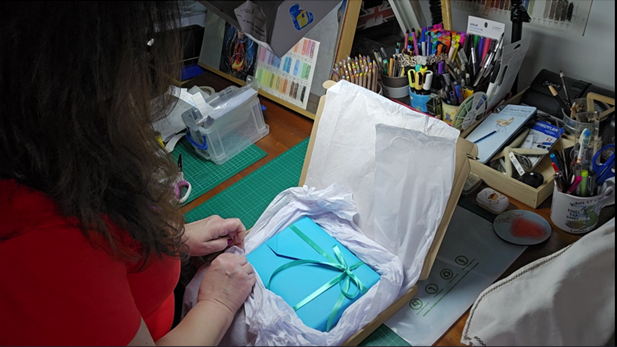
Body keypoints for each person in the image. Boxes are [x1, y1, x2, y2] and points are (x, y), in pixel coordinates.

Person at [0, 2, 255, 345]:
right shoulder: (41, 243)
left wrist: (172, 243)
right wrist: (218, 303)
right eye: (139, 47)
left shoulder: (63, 155)